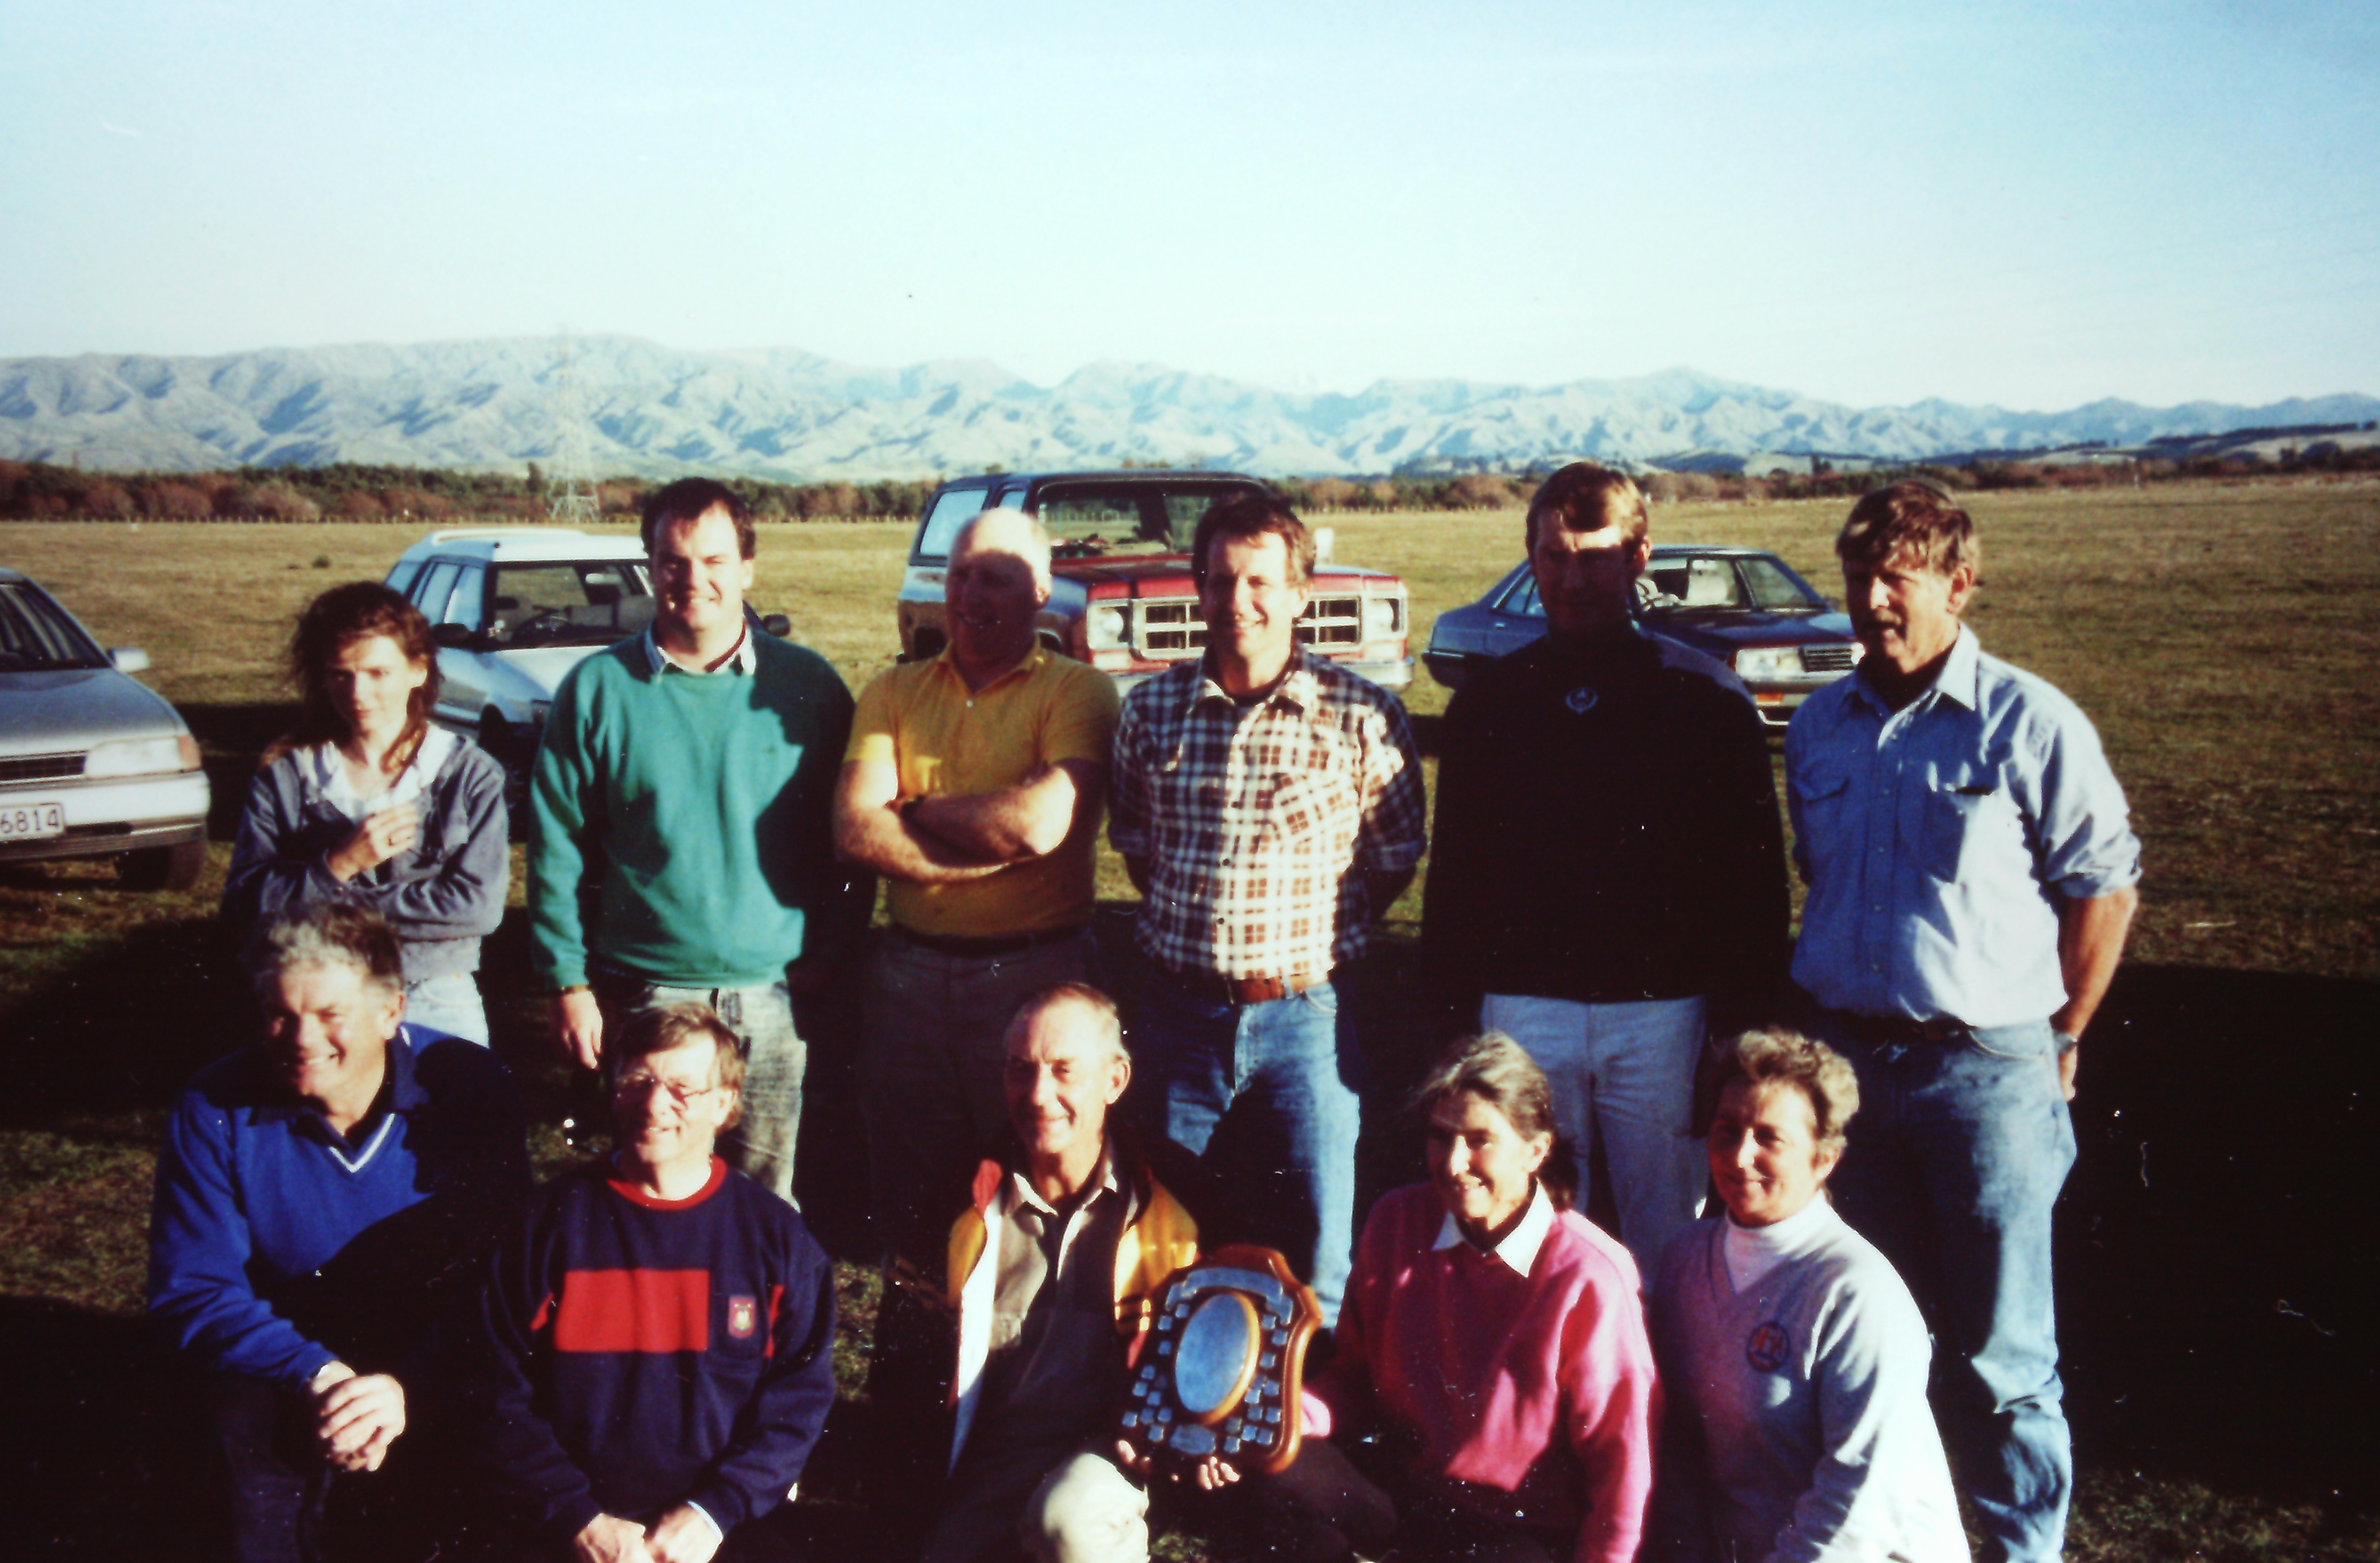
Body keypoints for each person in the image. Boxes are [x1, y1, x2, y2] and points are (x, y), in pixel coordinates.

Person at [1786, 480, 2140, 1563]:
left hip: (1983, 1078)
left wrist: (2061, 1034)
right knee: (1867, 1331)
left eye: (1896, 578)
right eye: (1858, 577)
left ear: (1960, 583)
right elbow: (1819, 874)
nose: (1871, 601)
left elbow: (2103, 889)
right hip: (1847, 1075)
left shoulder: (2029, 721)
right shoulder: (1818, 725)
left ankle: (2022, 1547)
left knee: (2000, 1353)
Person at [1423, 461, 1790, 1274]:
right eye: (1553, 557)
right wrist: (1450, 1017)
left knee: (1668, 1230)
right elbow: (1455, 880)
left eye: (1595, 557)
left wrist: (1740, 1024)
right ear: (1531, 559)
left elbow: (1752, 883)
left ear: (1638, 557)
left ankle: (1665, 1359)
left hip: (1660, 1015)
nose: (1573, 579)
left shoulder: (1703, 696)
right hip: (1525, 1008)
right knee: (1527, 1227)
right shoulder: (1490, 702)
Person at [1108, 492, 1426, 1324]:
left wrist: (1308, 939)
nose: (1237, 601)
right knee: (1166, 1234)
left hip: (1305, 1022)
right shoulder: (1151, 711)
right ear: (1198, 588)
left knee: (1319, 1243)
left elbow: (1393, 857)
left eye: (1259, 582)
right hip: (1177, 1019)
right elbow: (1138, 851)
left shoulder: (1361, 716)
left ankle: (1313, 1395)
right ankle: (1173, 1393)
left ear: (1298, 594)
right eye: (1219, 581)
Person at [149, 902, 528, 1562]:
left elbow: (506, 1268)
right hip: (286, 1352)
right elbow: (195, 1286)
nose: (302, 1037)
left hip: (436, 1347)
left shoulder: (469, 1085)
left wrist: (407, 1383)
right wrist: (317, 1374)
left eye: (330, 1014)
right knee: (233, 1431)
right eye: (281, 1013)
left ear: (391, 1011)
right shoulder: (214, 1105)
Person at [530, 477, 869, 1205]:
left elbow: (849, 840)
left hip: (776, 994)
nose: (693, 579)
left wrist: (832, 953)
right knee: (650, 1188)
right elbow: (556, 848)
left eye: (714, 561)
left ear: (747, 567)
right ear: (650, 567)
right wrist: (568, 983)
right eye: (673, 561)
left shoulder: (807, 687)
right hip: (647, 986)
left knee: (765, 1196)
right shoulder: (595, 690)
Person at [1229, 1032, 1657, 1563]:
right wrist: (1280, 1424)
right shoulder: (1397, 1220)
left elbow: (1623, 1465)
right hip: (1413, 1494)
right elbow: (1354, 1380)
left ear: (1536, 1150)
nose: (1454, 1163)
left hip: (1519, 1530)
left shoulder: (1588, 1274)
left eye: (1480, 1140)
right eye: (1440, 1136)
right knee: (1279, 1470)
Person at [834, 509, 1122, 1267]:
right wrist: (987, 849)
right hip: (908, 976)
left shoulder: (1079, 692)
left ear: (1040, 591)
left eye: (993, 578)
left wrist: (916, 808)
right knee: (913, 1190)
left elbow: (1036, 823)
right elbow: (855, 829)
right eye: (958, 575)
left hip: (1034, 974)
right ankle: (923, 1327)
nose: (968, 595)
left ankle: (1033, 1334)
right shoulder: (893, 691)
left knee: (1041, 1177)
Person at [464, 1003, 839, 1563]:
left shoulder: (777, 1240)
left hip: (718, 1530)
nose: (653, 1104)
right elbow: (494, 1390)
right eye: (637, 1081)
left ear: (725, 1103)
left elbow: (798, 1400)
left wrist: (714, 1513)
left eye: (682, 1088)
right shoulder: (547, 1227)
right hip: (564, 1527)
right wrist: (577, 1518)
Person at [877, 984, 1200, 1563]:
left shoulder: (1175, 1205)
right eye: (1020, 1070)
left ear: (1115, 1080)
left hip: (1112, 1455)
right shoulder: (955, 1204)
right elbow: (899, 1375)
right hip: (991, 1460)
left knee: (1068, 1524)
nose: (1037, 1095)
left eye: (1063, 1071)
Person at [1647, 1029, 1965, 1563]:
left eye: (1769, 1138)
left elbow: (1862, 1501)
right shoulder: (1684, 1258)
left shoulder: (1857, 1293)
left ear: (1825, 1159)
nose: (1740, 1156)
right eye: (1727, 1131)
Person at [225, 581, 509, 1044]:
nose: (358, 693)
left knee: (455, 1091)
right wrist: (340, 864)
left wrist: (329, 904)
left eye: (378, 673)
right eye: (341, 675)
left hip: (434, 992)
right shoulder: (289, 775)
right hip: (315, 998)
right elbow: (244, 906)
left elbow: (477, 907)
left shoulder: (468, 774)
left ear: (418, 670)